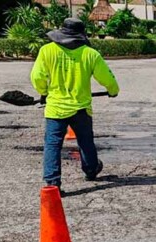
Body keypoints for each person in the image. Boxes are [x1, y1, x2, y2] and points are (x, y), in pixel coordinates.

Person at [30, 18, 119, 193]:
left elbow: (37, 77)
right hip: (80, 107)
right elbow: (107, 78)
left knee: (52, 144)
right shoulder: (90, 54)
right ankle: (91, 169)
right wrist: (113, 90)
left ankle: (52, 183)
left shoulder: (47, 51)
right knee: (85, 141)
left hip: (55, 107)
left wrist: (44, 92)